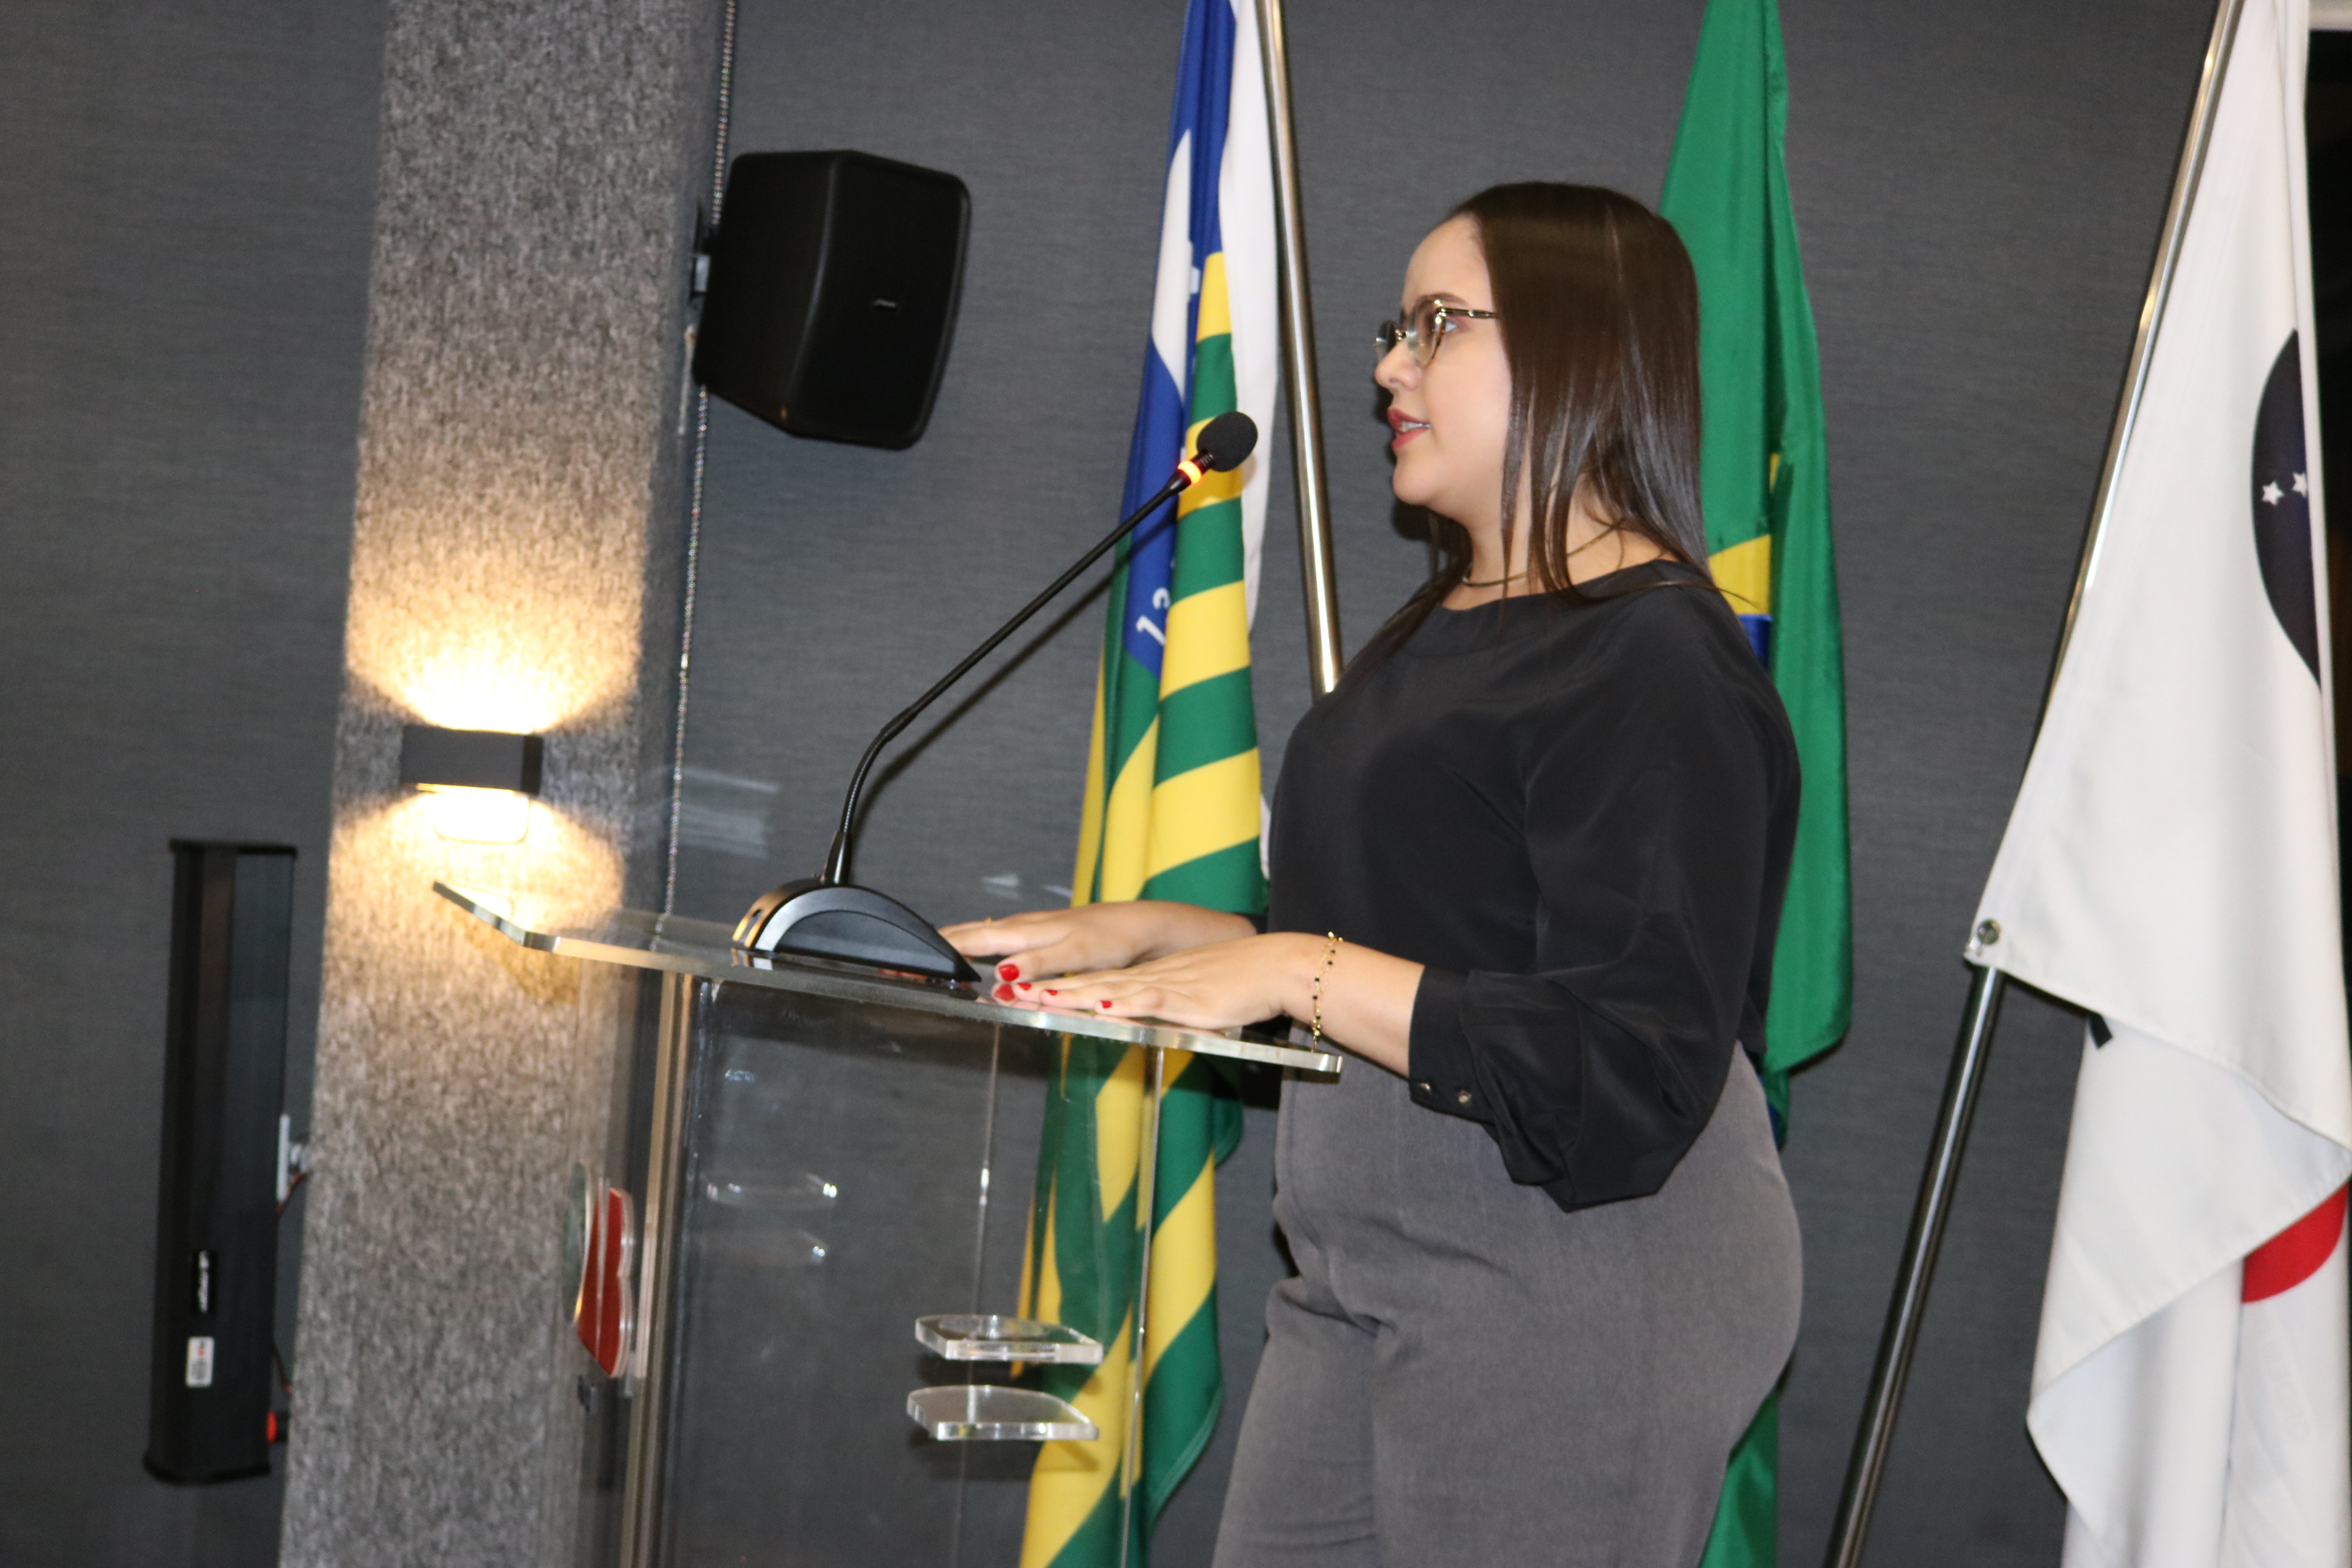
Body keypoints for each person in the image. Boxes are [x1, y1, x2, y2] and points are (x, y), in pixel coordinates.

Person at [944, 182, 1802, 1568]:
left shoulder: (1656, 658)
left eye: (1437, 325)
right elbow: (1429, 933)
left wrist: (1292, 966)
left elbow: (1631, 1063)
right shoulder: (1454, 623)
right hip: (1365, 1265)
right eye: (1395, 330)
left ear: (1577, 345)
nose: (1390, 368)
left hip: (1576, 1269)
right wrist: (1159, 933)